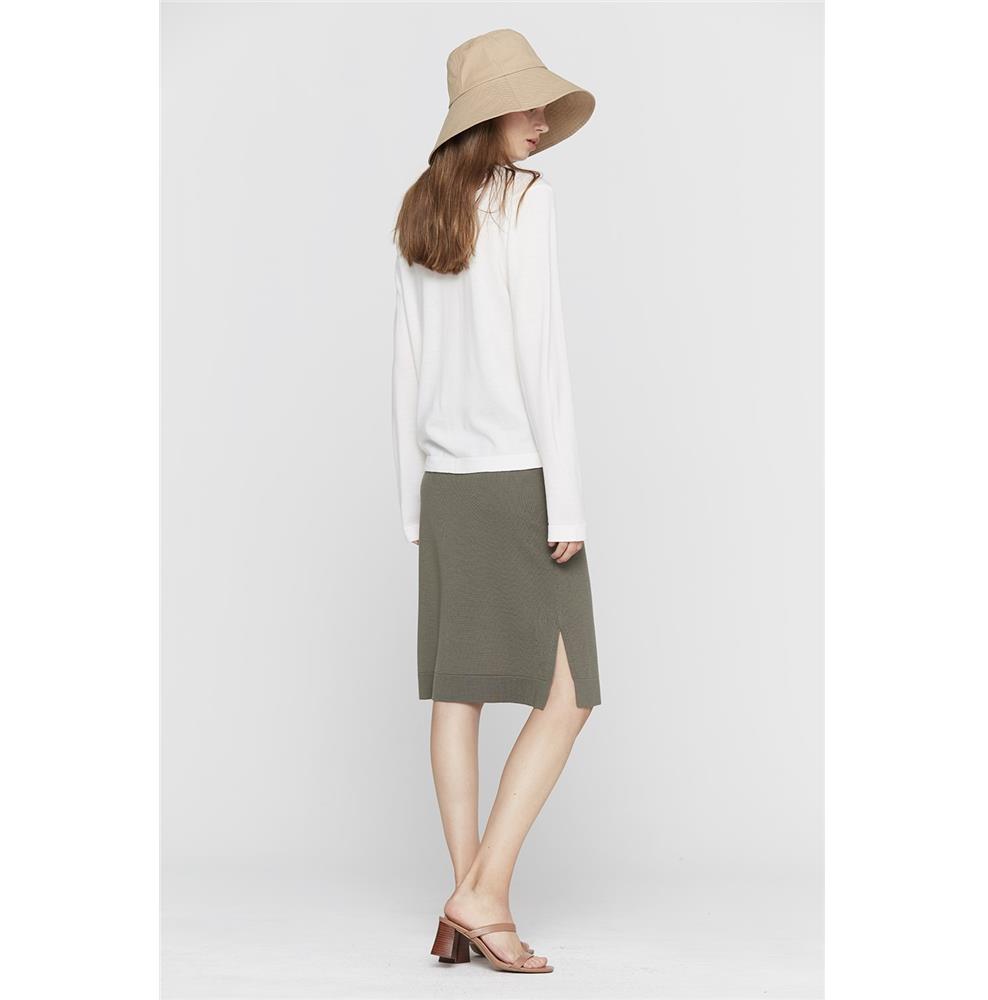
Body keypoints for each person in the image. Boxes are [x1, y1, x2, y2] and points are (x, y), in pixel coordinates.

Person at [390, 28, 601, 975]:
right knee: (569, 691)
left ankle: (465, 901)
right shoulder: (524, 199)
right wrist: (567, 503)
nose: (543, 121)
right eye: (529, 103)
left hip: (446, 483)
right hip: (519, 476)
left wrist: (413, 506)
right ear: (487, 112)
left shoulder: (421, 207)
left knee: (459, 691)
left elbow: (403, 367)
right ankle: (484, 894)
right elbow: (541, 352)